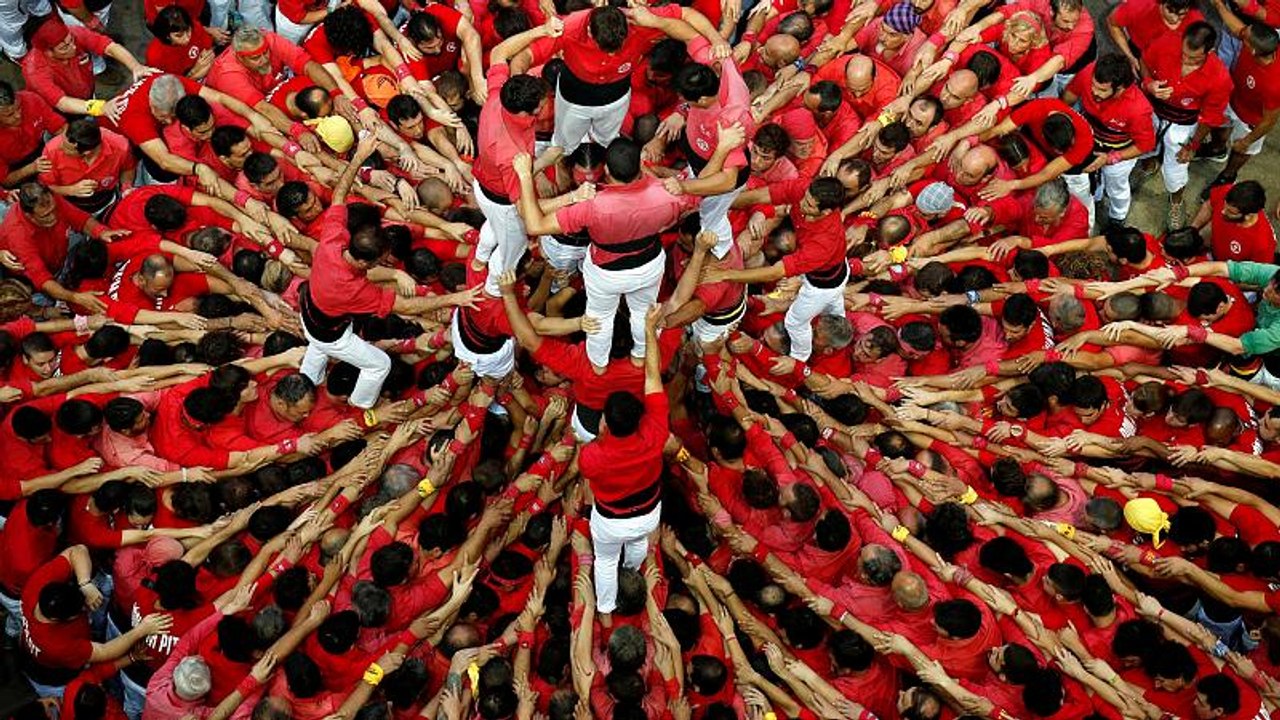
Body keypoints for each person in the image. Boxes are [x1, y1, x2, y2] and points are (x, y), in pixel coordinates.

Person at [298, 133, 479, 409]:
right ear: (365, 262)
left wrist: (359, 157)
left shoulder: (332, 240)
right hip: (331, 333)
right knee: (379, 364)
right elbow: (408, 306)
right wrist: (454, 299)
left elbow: (339, 194)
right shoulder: (355, 289)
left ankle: (306, 380)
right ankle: (362, 407)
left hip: (310, 311)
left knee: (317, 347)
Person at [579, 304, 666, 619]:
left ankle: (605, 611)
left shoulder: (593, 455)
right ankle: (631, 570)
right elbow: (653, 375)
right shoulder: (655, 431)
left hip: (611, 521)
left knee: (604, 560)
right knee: (638, 541)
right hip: (649, 513)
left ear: (604, 423)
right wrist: (649, 329)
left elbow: (590, 477)